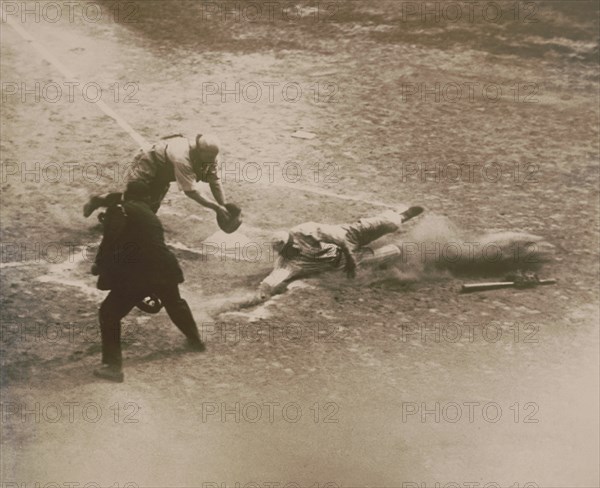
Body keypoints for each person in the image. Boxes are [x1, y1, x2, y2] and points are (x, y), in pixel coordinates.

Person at [92, 181, 205, 382]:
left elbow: (110, 241)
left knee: (109, 313)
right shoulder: (149, 214)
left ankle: (112, 367)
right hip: (165, 267)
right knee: (174, 303)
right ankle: (196, 340)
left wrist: (99, 265)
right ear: (147, 198)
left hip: (140, 272)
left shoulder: (121, 209)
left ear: (128, 195)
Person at [258, 206, 424, 298]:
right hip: (341, 262)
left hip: (347, 235)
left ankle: (401, 214)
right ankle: (419, 253)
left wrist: (351, 259)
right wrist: (262, 293)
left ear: (291, 240)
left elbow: (341, 239)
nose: (290, 253)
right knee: (394, 252)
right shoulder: (287, 263)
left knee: (390, 222)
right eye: (286, 252)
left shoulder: (304, 231)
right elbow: (271, 280)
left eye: (289, 248)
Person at [83, 133, 231, 221]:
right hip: (149, 161)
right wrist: (215, 207)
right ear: (200, 151)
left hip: (164, 173)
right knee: (134, 200)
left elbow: (215, 182)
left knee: (149, 209)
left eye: (214, 156)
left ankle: (113, 217)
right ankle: (99, 202)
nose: (213, 159)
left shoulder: (210, 157)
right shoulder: (183, 157)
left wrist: (224, 205)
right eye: (209, 156)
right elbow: (190, 192)